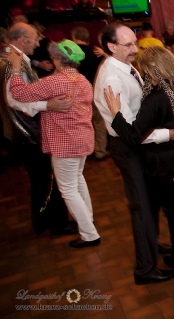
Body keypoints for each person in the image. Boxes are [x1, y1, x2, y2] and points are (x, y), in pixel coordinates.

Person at [103, 46, 174, 279]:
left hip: (163, 163)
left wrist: (116, 113)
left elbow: (133, 136)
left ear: (153, 70)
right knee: (171, 205)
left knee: (173, 209)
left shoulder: (156, 99)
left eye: (146, 71)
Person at [94, 23, 174, 284]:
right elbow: (130, 130)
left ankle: (151, 244)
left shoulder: (125, 68)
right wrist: (168, 134)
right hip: (128, 147)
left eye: (134, 42)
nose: (135, 49)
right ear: (111, 46)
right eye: (128, 45)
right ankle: (145, 269)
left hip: (138, 145)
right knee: (141, 207)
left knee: (149, 201)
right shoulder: (112, 78)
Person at [6, 39, 101, 248]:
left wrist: (14, 68)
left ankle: (89, 234)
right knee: (77, 180)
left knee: (67, 188)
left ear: (57, 59)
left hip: (66, 141)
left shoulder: (56, 81)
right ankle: (87, 221)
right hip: (82, 138)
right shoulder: (82, 79)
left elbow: (18, 93)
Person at [0, 22, 76, 236]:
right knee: (47, 179)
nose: (38, 42)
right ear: (23, 39)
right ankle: (57, 224)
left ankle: (42, 222)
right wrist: (48, 105)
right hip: (28, 134)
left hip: (23, 133)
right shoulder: (11, 63)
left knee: (40, 180)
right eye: (34, 38)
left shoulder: (14, 58)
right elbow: (13, 99)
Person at [71, 26, 109, 160]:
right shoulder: (96, 52)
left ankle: (85, 151)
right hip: (95, 92)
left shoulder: (70, 55)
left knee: (81, 124)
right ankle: (100, 151)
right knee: (99, 123)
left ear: (74, 38)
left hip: (76, 94)